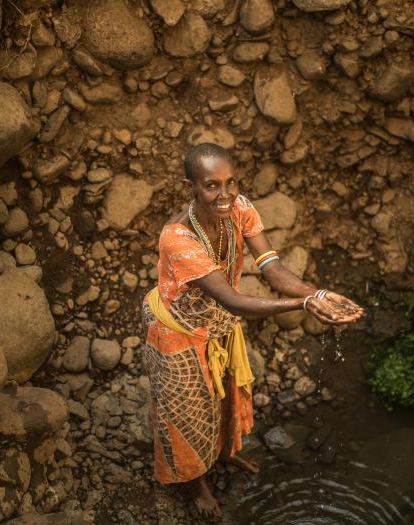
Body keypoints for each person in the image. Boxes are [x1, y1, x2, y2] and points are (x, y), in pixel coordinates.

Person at [141, 143, 364, 521]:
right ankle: (197, 484)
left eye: (230, 183)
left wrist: (318, 293)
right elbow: (235, 302)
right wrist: (304, 305)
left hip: (217, 323)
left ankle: (226, 450)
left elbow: (273, 271)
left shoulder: (239, 208)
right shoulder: (178, 239)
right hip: (177, 333)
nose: (224, 195)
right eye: (212, 185)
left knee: (225, 393)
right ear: (189, 187)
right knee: (186, 414)